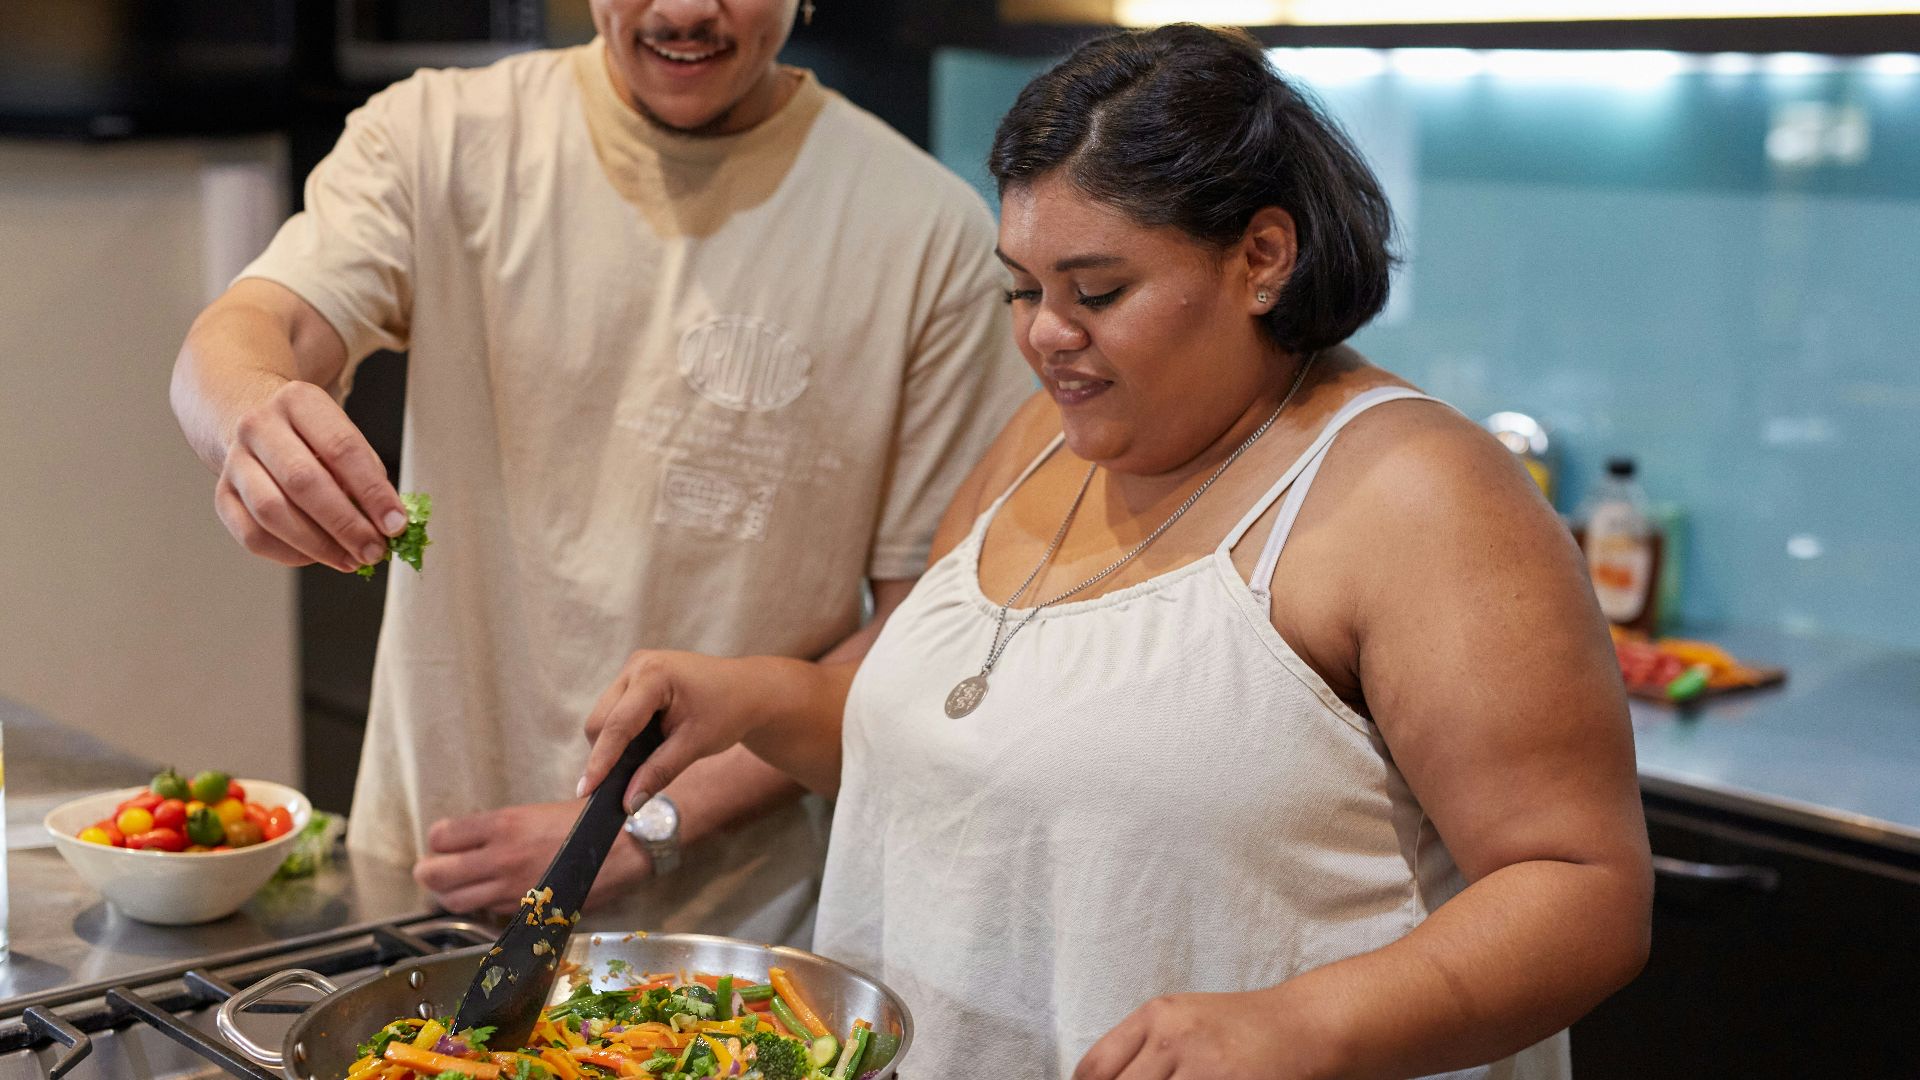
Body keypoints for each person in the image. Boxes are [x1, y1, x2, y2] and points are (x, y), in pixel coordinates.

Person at [578, 22, 1652, 1079]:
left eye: (1098, 292)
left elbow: (1582, 891)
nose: (1047, 332)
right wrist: (756, 700)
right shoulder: (1042, 441)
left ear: (1262, 259)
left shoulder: (1418, 493)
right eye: (1022, 289)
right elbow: (957, 769)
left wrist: (1301, 1023)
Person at [169, 0, 1030, 941]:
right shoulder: (438, 136)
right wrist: (249, 416)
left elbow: (921, 632)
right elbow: (260, 328)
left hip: (726, 936)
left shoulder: (928, 232)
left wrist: (647, 824)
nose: (687, 9)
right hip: (433, 892)